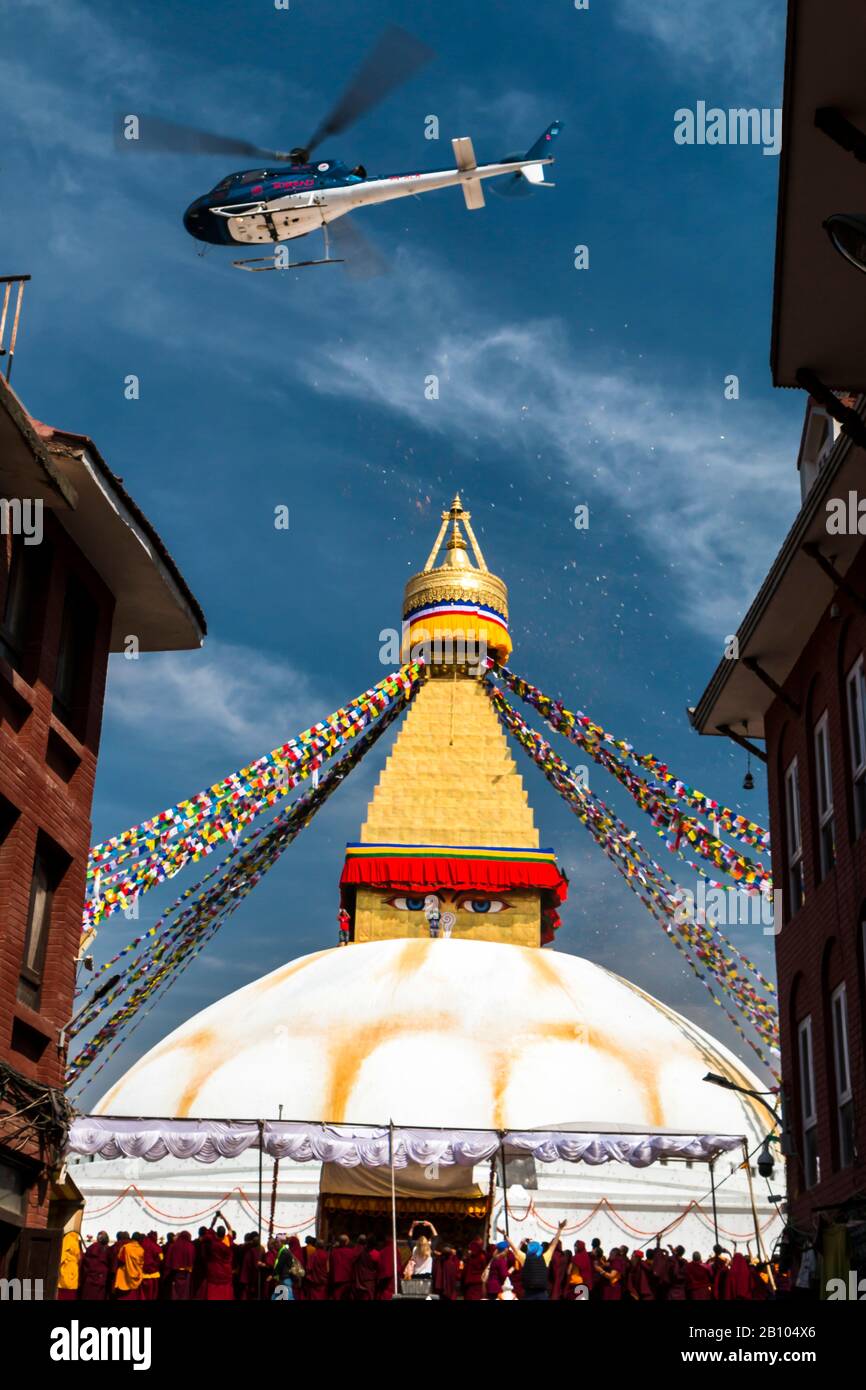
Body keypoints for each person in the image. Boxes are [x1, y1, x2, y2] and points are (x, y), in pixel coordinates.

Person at [500, 1220, 567, 1301]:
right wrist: (560, 1229)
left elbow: (513, 1247)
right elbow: (554, 1245)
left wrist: (505, 1235)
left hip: (528, 1294)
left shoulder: (525, 1258)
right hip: (542, 1294)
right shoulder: (545, 1258)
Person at [202, 1212, 236, 1300]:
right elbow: (230, 1228)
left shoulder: (212, 1240)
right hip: (226, 1270)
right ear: (224, 1234)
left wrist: (215, 1219)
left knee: (213, 1288)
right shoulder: (228, 1240)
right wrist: (223, 1218)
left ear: (216, 1233)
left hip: (214, 1269)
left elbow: (209, 1230)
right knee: (225, 1289)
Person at [79, 1231, 112, 1301]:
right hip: (102, 1278)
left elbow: (85, 1263)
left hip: (91, 1278)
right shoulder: (109, 1250)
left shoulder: (92, 1248)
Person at [163, 1230, 196, 1300]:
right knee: (185, 1292)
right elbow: (193, 1259)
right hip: (187, 1273)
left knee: (175, 1291)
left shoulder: (173, 1246)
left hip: (176, 1273)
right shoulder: (191, 1246)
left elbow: (168, 1260)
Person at [114, 1232, 145, 1300]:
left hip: (125, 1275)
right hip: (136, 1274)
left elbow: (120, 1259)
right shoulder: (141, 1250)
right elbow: (141, 1263)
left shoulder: (126, 1247)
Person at [351, 1234, 380, 1301]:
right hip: (370, 1280)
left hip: (360, 1279)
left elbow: (354, 1263)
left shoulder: (360, 1252)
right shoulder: (376, 1254)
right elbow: (378, 1268)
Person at [330, 1234, 358, 1301]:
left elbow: (331, 1266)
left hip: (336, 1279)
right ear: (346, 1242)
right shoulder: (352, 1252)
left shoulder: (334, 1252)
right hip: (348, 1278)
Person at [57, 1230, 83, 1301]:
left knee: (63, 1292)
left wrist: (57, 1265)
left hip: (67, 1268)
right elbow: (79, 1257)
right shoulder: (76, 1241)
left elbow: (62, 1255)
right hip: (74, 1268)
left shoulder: (67, 1239)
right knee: (71, 1291)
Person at [461, 1237, 489, 1301]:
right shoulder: (481, 1257)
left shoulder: (473, 1258)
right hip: (477, 1282)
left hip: (472, 1283)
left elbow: (466, 1272)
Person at [140, 1231, 162, 1300]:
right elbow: (161, 1258)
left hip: (142, 1275)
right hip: (154, 1275)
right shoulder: (156, 1246)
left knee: (144, 1295)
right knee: (152, 1295)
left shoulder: (141, 1244)